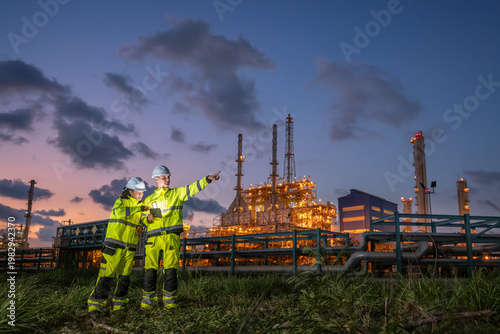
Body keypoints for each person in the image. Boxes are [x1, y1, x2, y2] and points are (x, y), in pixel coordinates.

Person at [141, 165, 220, 310]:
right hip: (153, 239)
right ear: (156, 179)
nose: (167, 179)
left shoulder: (177, 193)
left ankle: (170, 302)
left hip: (171, 238)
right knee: (150, 270)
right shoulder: (148, 199)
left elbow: (193, 188)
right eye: (164, 177)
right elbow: (142, 218)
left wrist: (207, 179)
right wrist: (148, 218)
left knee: (170, 270)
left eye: (169, 177)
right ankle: (147, 303)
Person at [88, 177, 150, 317]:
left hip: (129, 248)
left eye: (142, 192)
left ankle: (119, 305)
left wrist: (143, 224)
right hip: (114, 245)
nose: (140, 195)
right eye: (138, 191)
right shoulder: (120, 202)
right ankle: (95, 306)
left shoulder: (140, 208)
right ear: (130, 191)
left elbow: (140, 221)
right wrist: (139, 208)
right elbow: (121, 213)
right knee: (106, 276)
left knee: (124, 278)